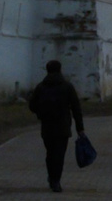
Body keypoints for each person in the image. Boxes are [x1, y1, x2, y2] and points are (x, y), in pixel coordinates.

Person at [28, 59, 86, 192]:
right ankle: (56, 181)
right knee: (59, 155)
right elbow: (76, 108)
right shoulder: (67, 86)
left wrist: (40, 113)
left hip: (47, 126)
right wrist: (80, 128)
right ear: (60, 70)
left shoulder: (41, 87)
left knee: (50, 153)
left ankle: (51, 176)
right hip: (63, 126)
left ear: (47, 70)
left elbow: (32, 105)